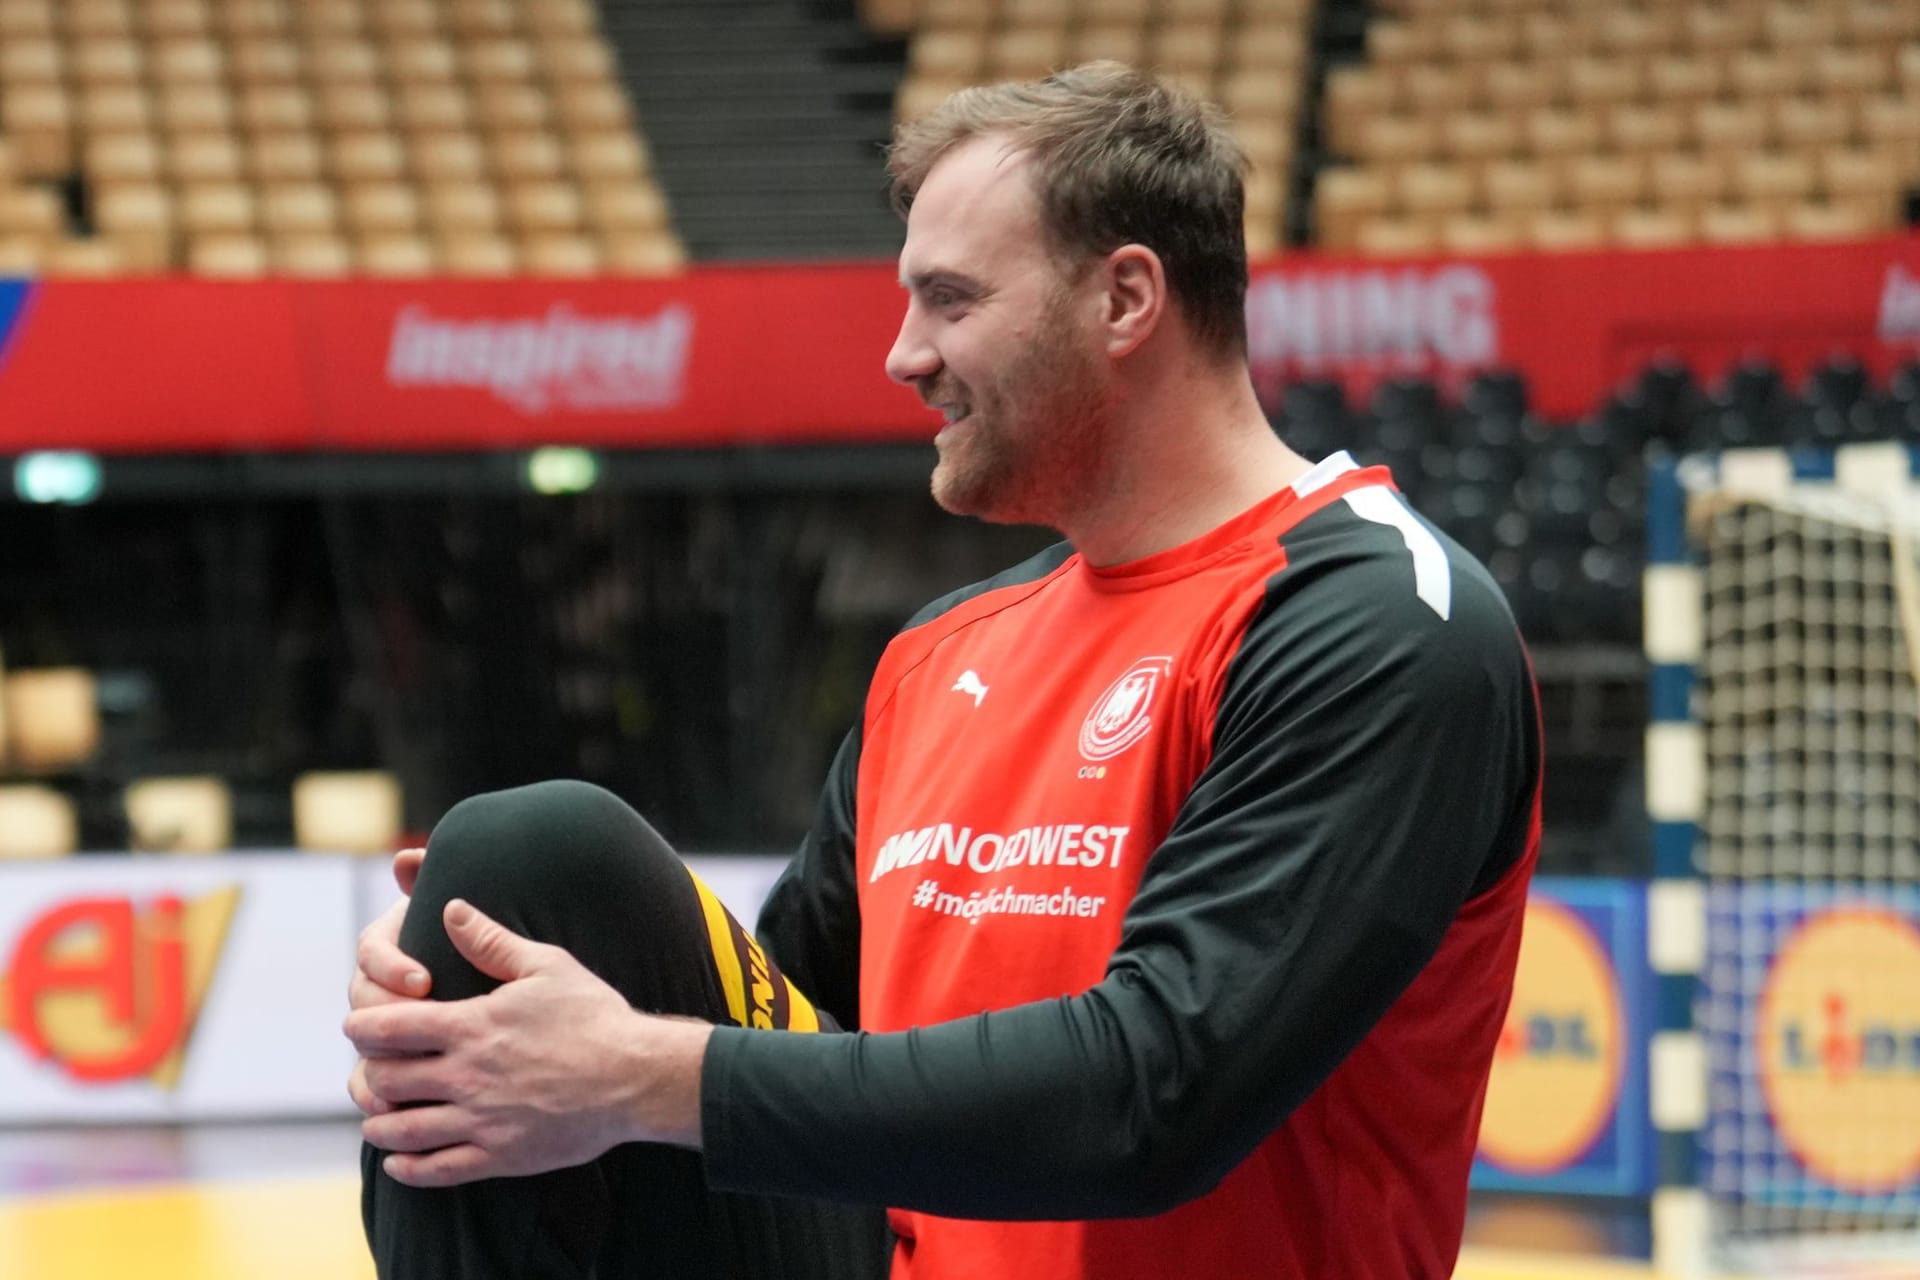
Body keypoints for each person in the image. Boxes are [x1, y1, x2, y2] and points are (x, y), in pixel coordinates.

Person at [346, 62, 1541, 1280]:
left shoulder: (1376, 616)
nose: (903, 356)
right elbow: (795, 1037)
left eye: (951, 300)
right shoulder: (940, 654)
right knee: (522, 863)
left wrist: (629, 1070)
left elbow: (1159, 1093)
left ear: (1126, 298)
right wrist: (498, 979)